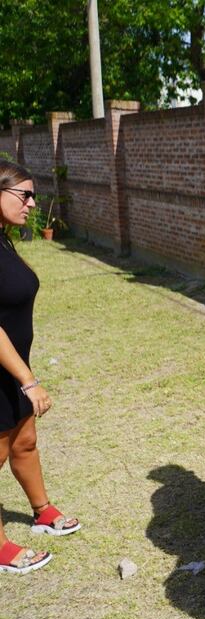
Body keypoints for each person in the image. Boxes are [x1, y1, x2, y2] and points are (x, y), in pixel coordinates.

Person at [0, 160, 80, 575]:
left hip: (13, 367)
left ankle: (42, 510)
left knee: (24, 442)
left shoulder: (5, 240)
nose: (33, 203)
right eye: (24, 195)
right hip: (9, 373)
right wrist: (29, 381)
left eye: (33, 195)